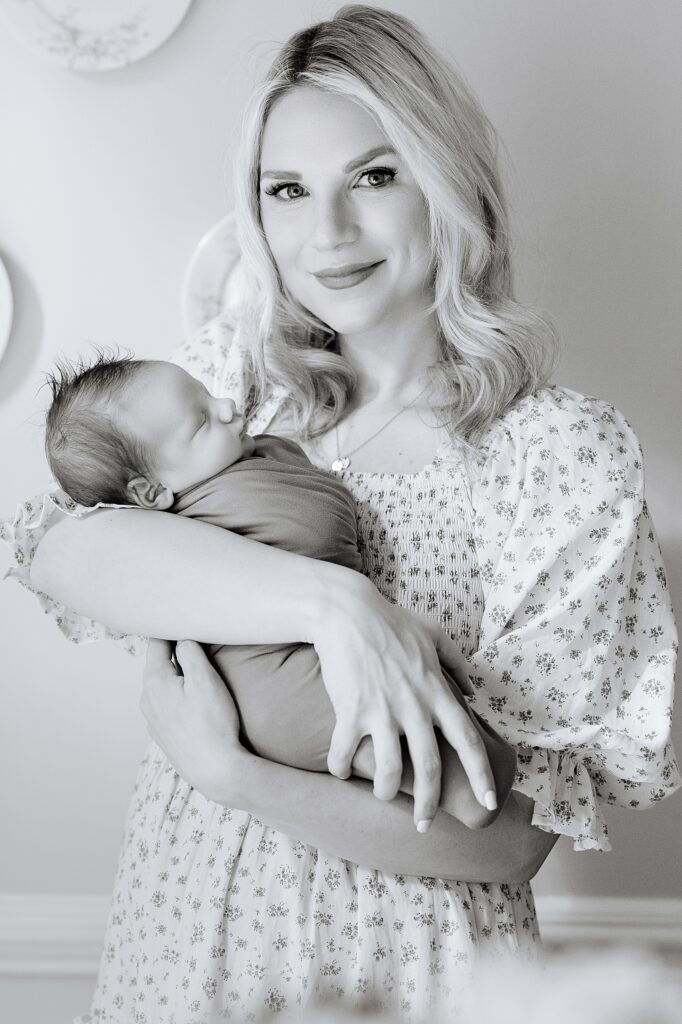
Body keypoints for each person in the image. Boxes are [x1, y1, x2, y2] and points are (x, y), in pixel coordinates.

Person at [2, 5, 678, 1022]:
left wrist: (230, 774)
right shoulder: (235, 391)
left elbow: (513, 835)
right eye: (286, 190)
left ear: (446, 183)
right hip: (181, 939)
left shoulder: (557, 455)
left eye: (374, 175)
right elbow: (57, 548)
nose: (328, 234)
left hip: (408, 967)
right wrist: (335, 607)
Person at [43, 352, 517, 826]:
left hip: (310, 661)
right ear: (150, 494)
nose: (227, 404)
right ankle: (440, 783)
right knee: (462, 770)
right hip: (268, 681)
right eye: (201, 420)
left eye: (209, 392)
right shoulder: (175, 524)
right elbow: (57, 549)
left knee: (465, 743)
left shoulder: (251, 454)